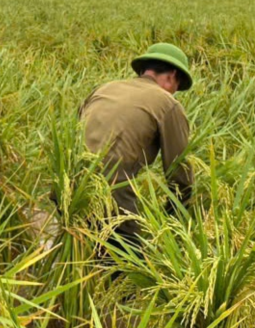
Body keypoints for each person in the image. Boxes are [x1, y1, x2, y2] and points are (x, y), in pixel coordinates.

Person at [79, 42, 194, 245]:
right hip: (111, 194)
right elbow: (179, 173)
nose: (174, 94)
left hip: (70, 188)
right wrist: (176, 225)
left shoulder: (104, 89)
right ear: (171, 76)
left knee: (78, 257)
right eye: (176, 87)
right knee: (134, 267)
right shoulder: (167, 103)